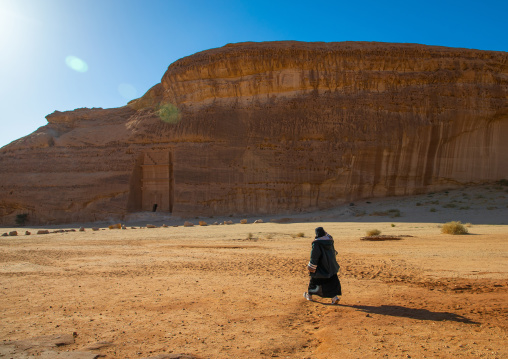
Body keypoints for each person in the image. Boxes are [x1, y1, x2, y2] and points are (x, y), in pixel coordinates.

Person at [304, 227, 342, 304]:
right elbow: (329, 235)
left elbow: (314, 256)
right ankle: (334, 297)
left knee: (314, 281)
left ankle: (309, 295)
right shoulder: (330, 240)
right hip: (331, 266)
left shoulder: (317, 243)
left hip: (321, 266)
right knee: (331, 281)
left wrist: (312, 266)